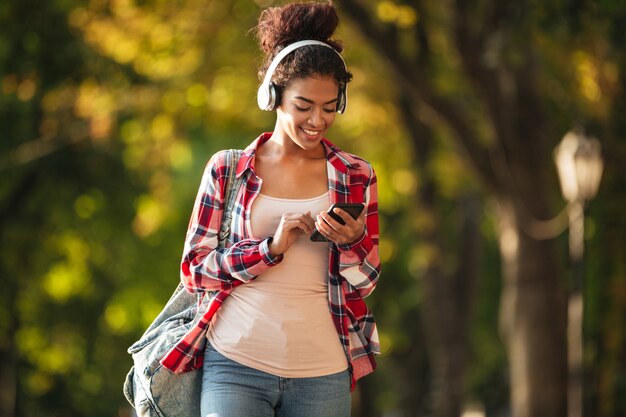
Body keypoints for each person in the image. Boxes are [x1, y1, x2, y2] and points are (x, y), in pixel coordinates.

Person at [160, 2, 381, 416]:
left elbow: (365, 282)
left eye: (330, 107)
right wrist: (268, 250)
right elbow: (194, 271)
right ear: (273, 97)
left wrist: (353, 241)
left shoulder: (356, 174)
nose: (318, 120)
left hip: (323, 371)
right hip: (235, 365)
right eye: (304, 106)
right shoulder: (228, 169)